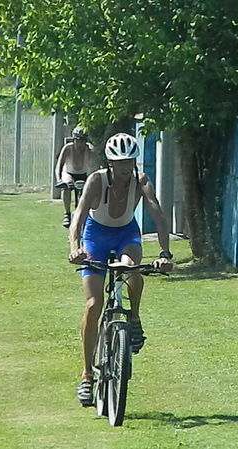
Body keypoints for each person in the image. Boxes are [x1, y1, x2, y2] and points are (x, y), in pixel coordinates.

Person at [67, 132, 173, 406]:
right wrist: (75, 247)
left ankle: (134, 319)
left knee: (133, 270)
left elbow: (157, 214)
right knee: (93, 305)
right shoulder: (96, 180)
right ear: (110, 162)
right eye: (119, 162)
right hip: (95, 236)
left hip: (126, 234)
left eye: (129, 161)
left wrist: (164, 253)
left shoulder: (141, 181)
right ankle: (87, 375)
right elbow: (78, 216)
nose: (125, 167)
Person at [55, 126, 101, 228]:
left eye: (83, 141)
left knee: (88, 191)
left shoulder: (90, 150)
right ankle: (67, 213)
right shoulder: (67, 148)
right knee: (66, 186)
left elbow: (96, 167)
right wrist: (59, 180)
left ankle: (85, 213)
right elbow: (59, 166)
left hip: (83, 174)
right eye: (78, 140)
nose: (80, 144)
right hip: (68, 173)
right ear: (74, 140)